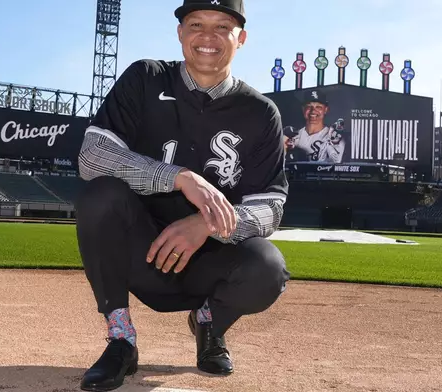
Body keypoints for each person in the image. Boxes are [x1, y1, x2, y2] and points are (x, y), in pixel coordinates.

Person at [74, 0, 290, 390]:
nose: (207, 37)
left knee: (267, 267)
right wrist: (179, 177)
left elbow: (270, 206)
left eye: (222, 26)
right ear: (179, 33)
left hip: (209, 262)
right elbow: (92, 157)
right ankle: (121, 339)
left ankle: (209, 324)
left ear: (240, 38)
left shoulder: (261, 113)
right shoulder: (145, 77)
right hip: (141, 250)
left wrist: (207, 224)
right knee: (99, 196)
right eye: (196, 24)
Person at [284, 90, 345, 163]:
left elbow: (336, 162)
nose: (313, 111)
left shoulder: (333, 137)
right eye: (309, 107)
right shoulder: (294, 137)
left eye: (318, 107)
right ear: (303, 109)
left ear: (326, 110)